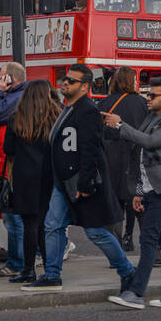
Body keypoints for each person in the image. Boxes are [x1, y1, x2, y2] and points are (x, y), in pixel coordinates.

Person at [38, 64, 133, 293]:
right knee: (53, 225)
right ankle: (52, 274)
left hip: (82, 182)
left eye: (71, 81)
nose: (65, 83)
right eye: (65, 79)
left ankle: (128, 272)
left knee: (96, 231)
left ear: (84, 86)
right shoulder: (67, 108)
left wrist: (86, 183)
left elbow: (91, 149)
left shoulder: (87, 110)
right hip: (63, 182)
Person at [105, 75, 161, 307]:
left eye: (153, 95)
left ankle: (136, 292)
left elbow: (150, 142)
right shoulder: (153, 116)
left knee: (149, 237)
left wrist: (121, 125)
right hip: (153, 187)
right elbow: (142, 154)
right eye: (147, 93)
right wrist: (139, 191)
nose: (147, 98)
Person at [2, 79, 59, 286]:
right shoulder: (55, 117)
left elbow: (9, 149)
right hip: (49, 175)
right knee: (47, 224)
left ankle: (28, 269)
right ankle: (50, 267)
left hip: (25, 176)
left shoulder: (16, 117)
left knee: (29, 225)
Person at [0, 62, 26, 277]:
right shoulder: (16, 97)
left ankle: (17, 264)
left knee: (13, 219)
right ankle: (20, 262)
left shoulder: (14, 99)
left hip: (9, 169)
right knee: (13, 218)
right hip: (5, 166)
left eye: (1, 76)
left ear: (11, 79)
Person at [99, 68, 148, 251]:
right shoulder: (142, 104)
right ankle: (149, 249)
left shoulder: (104, 104)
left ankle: (115, 250)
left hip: (111, 161)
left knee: (114, 209)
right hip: (136, 159)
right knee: (140, 205)